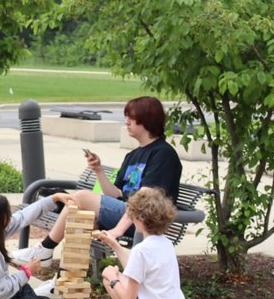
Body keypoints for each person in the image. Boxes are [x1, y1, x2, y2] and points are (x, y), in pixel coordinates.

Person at [13, 96, 181, 266]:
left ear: (147, 119)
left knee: (81, 197)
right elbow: (115, 194)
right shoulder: (133, 155)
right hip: (125, 212)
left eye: (131, 117)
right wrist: (98, 170)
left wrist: (117, 231)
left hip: (145, 220)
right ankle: (64, 279)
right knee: (79, 216)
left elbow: (145, 198)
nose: (126, 121)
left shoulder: (163, 154)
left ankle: (45, 249)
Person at [96, 187, 189, 299]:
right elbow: (136, 271)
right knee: (124, 281)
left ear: (139, 218)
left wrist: (112, 278)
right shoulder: (165, 243)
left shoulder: (141, 250)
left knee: (109, 279)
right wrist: (115, 246)